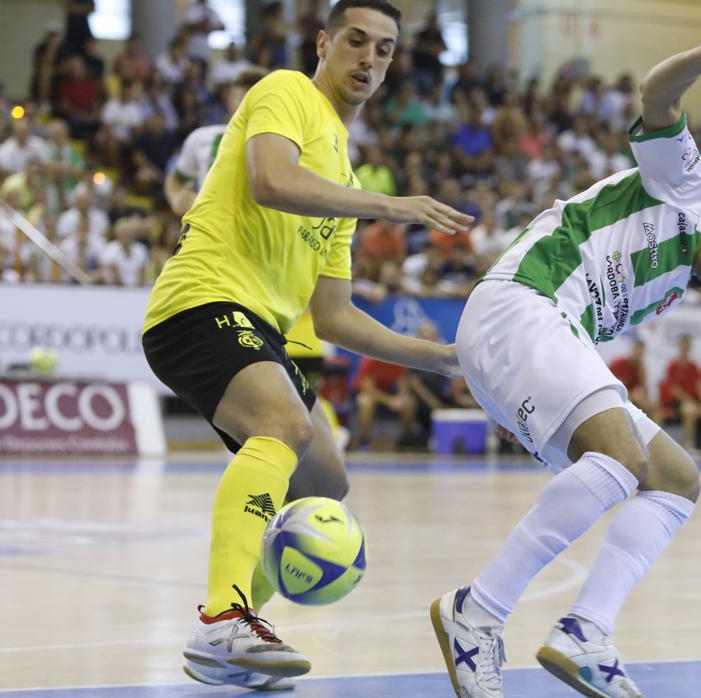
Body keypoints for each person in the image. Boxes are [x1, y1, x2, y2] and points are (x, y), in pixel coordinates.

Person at [433, 40, 701, 698]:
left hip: (528, 338)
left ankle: (586, 629)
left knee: (674, 478)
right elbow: (656, 94)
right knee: (619, 457)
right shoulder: (684, 190)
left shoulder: (672, 286)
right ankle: (477, 612)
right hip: (524, 304)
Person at [140, 1, 472, 690]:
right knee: (282, 425)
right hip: (201, 300)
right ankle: (223, 618)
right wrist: (390, 206)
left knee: (325, 481)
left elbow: (335, 317)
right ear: (323, 43)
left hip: (260, 325)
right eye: (356, 41)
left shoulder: (343, 179)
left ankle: (236, 640)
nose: (369, 58)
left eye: (384, 50)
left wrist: (444, 358)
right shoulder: (287, 91)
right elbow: (270, 180)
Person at [164, 68, 267, 216]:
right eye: (241, 99)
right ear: (230, 101)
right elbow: (175, 178)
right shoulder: (202, 137)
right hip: (208, 226)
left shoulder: (282, 148)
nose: (247, 107)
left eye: (255, 100)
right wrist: (177, 199)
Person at [660, 334, 701, 455]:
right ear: (679, 346)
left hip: (693, 401)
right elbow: (674, 389)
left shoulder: (693, 366)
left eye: (688, 345)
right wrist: (690, 401)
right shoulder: (673, 365)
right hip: (677, 402)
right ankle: (688, 443)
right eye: (683, 344)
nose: (685, 347)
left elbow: (700, 384)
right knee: (690, 410)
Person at [352, 355, 415, 449]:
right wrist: (390, 401)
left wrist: (402, 398)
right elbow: (369, 390)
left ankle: (407, 439)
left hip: (386, 391)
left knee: (408, 403)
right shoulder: (369, 361)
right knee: (365, 402)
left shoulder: (397, 360)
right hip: (364, 391)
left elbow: (403, 386)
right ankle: (363, 439)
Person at [608, 339, 661, 424]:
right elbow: (611, 385)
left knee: (653, 407)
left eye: (641, 353)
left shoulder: (640, 368)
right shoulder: (618, 364)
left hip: (633, 398)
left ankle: (654, 431)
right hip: (617, 396)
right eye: (637, 351)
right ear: (633, 350)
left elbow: (645, 391)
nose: (638, 354)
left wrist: (642, 376)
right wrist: (631, 395)